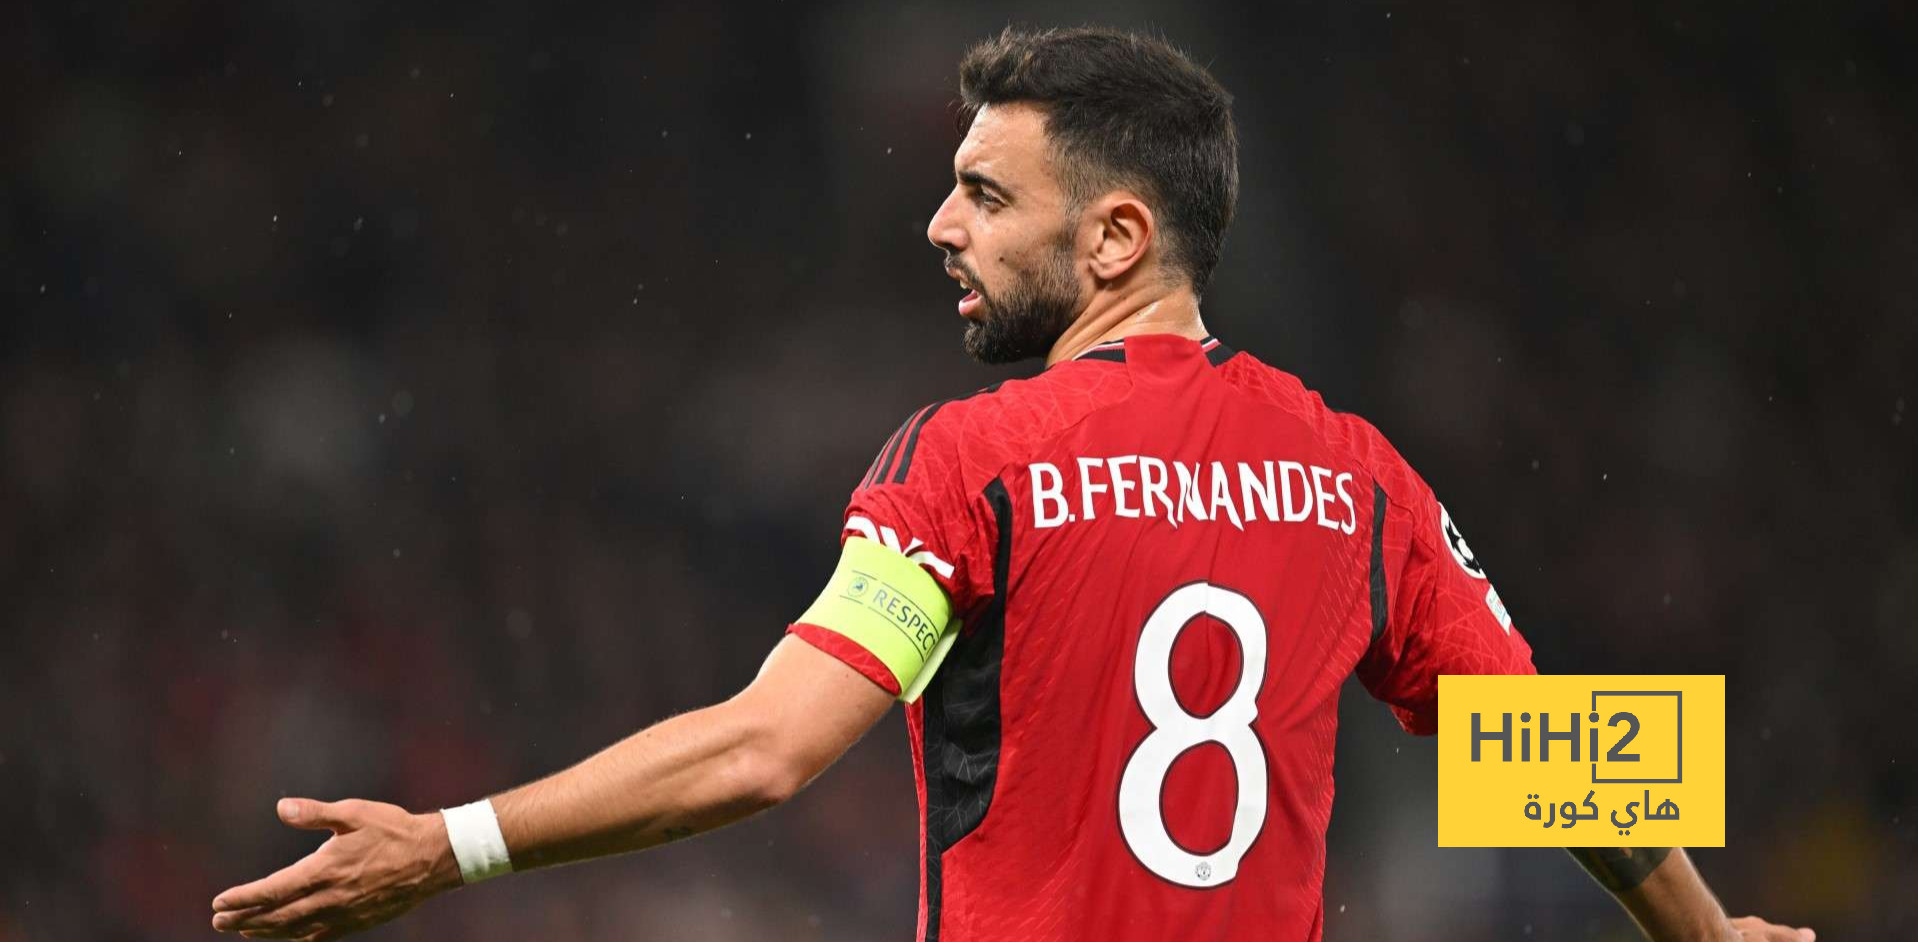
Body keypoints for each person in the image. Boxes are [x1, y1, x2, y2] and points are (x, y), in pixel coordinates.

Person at [210, 26, 1814, 942]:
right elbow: (1534, 741)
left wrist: (449, 842)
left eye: (983, 192)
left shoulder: (971, 461)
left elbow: (769, 750)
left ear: (1113, 237)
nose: (940, 225)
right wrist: (1708, 931)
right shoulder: (1356, 473)